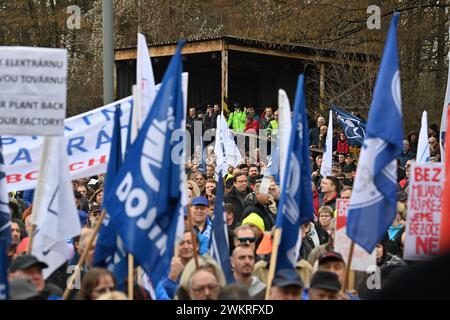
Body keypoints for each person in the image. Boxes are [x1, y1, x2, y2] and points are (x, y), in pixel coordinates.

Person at [156, 229, 195, 300]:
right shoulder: (165, 269)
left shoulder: (204, 267)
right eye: (181, 243)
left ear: (197, 246)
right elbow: (161, 295)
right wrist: (172, 278)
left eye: (189, 242)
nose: (186, 247)